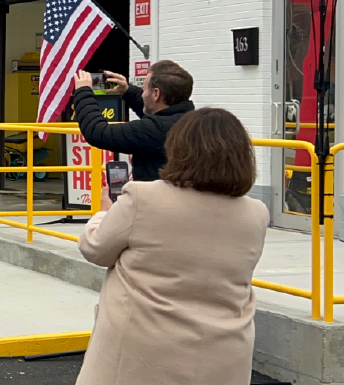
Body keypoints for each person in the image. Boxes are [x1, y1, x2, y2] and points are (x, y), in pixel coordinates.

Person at [76, 108, 268, 385]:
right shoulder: (256, 213)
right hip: (223, 352)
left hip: (142, 349)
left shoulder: (143, 197)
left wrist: (104, 213)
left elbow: (96, 249)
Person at [71, 61, 195, 182]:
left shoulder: (155, 129)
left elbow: (97, 132)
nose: (142, 94)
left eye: (144, 89)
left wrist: (83, 92)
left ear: (156, 94)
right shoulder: (192, 121)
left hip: (156, 200)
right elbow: (158, 111)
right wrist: (127, 90)